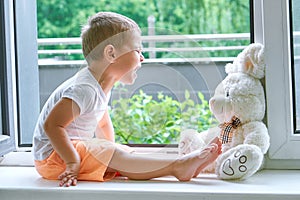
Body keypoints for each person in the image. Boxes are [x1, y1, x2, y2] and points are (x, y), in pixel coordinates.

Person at [32, 11, 222, 187]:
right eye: (137, 50)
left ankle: (179, 165)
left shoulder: (99, 86)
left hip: (64, 154)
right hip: (54, 158)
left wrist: (111, 150)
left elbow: (104, 124)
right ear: (111, 54)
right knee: (119, 156)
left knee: (125, 155)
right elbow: (52, 126)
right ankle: (178, 166)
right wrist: (72, 162)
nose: (142, 57)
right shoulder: (84, 89)